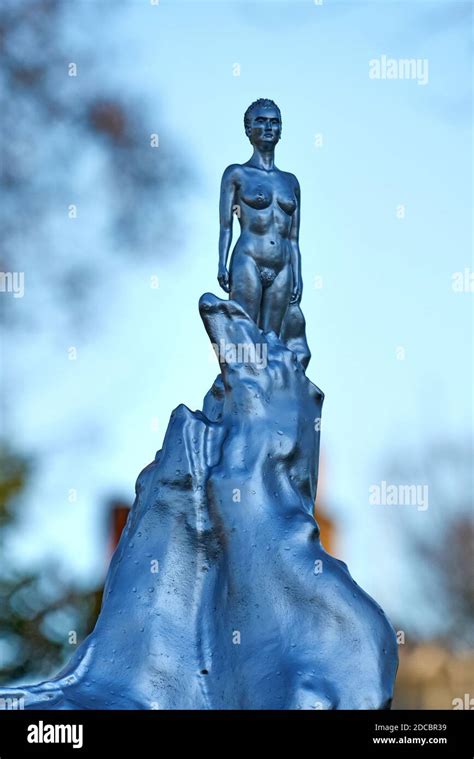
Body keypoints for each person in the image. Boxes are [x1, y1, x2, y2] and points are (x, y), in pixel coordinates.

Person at [217, 98, 310, 368]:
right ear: (248, 129)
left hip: (283, 265)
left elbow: (293, 238)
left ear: (281, 129)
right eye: (261, 121)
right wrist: (222, 263)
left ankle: (272, 402)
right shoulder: (237, 174)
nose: (268, 127)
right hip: (248, 258)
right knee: (245, 337)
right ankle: (234, 395)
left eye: (274, 122)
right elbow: (225, 225)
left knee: (272, 340)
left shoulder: (290, 182)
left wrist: (299, 275)